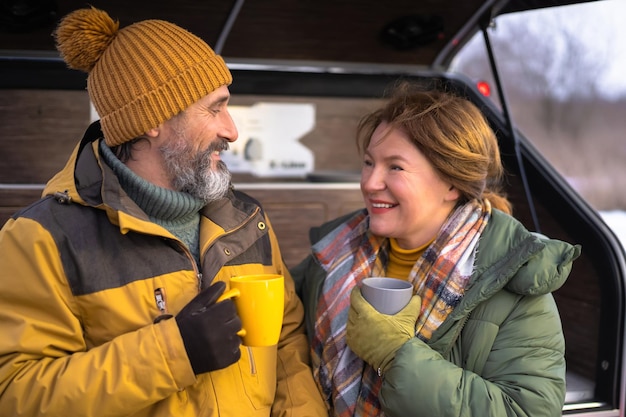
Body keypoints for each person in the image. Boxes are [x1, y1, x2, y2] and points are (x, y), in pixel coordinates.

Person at [0, 7, 326, 417]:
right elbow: (15, 395)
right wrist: (176, 352)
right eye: (214, 108)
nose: (231, 130)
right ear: (153, 119)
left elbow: (287, 343)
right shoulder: (43, 238)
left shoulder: (244, 218)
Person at [291, 83, 581, 417]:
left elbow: (527, 412)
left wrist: (397, 354)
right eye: (369, 163)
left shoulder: (513, 283)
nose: (370, 183)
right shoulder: (332, 254)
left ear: (452, 183)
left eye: (395, 167)